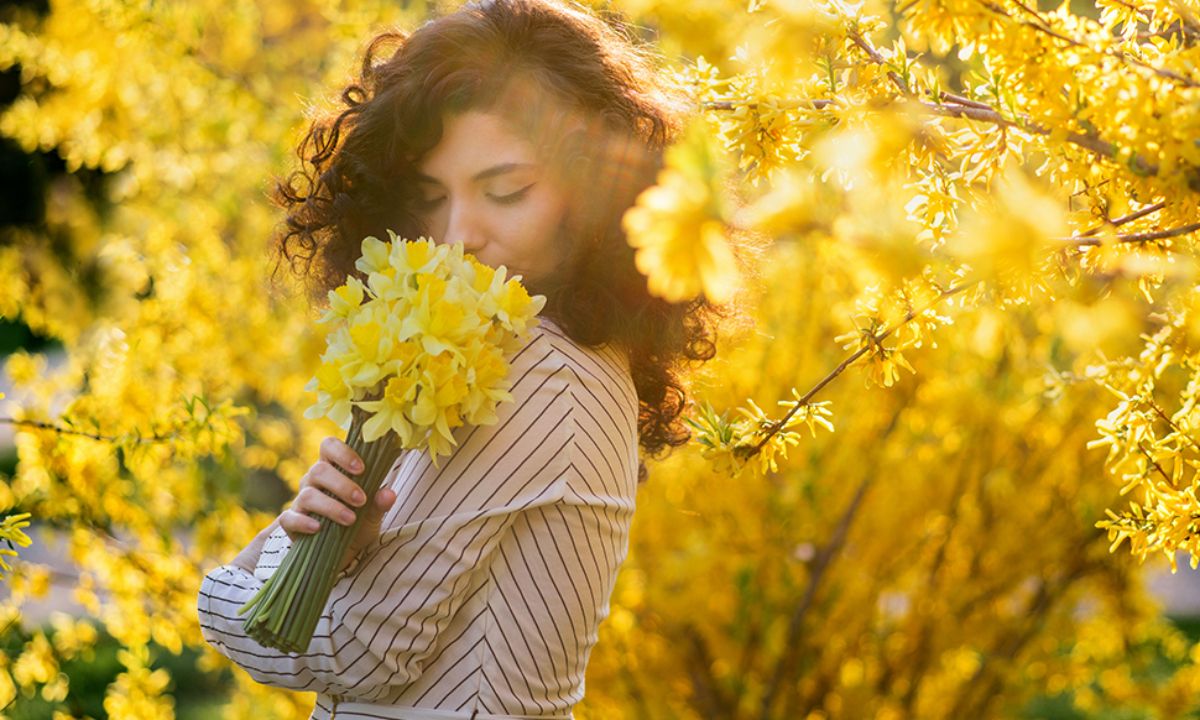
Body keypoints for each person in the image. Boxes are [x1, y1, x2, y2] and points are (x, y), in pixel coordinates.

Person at [197, 0, 737, 717]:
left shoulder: (539, 370)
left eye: (505, 190)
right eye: (429, 196)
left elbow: (361, 650)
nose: (458, 236)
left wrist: (222, 596)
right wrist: (328, 540)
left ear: (591, 195)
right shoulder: (515, 354)